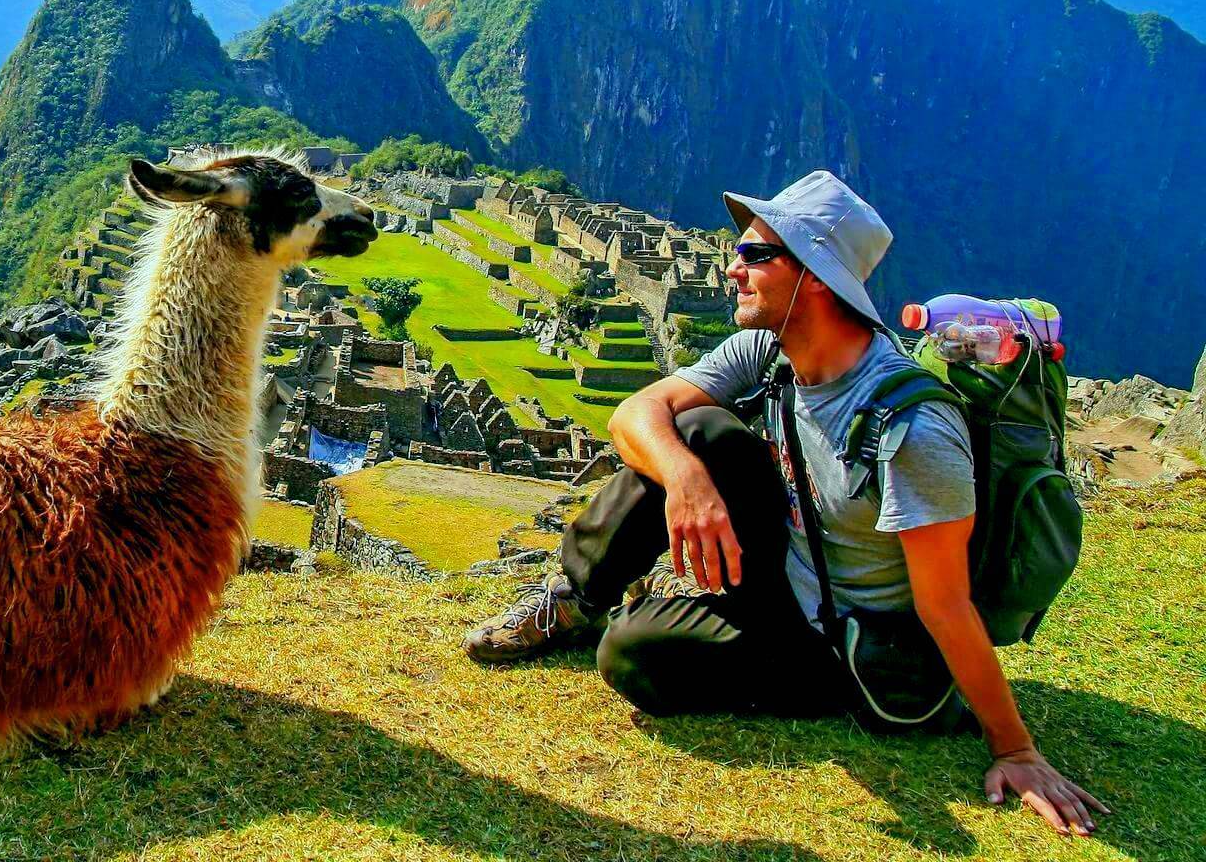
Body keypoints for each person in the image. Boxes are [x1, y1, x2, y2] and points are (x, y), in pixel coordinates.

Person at [462, 170, 1110, 838]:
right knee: (693, 433)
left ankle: (657, 619)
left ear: (818, 278)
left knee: (632, 657)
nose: (732, 269)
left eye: (754, 255)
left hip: (842, 640)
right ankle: (570, 602)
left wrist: (1015, 749)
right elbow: (636, 413)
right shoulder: (769, 350)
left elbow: (944, 605)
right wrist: (687, 480)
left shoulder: (912, 431)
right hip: (784, 568)